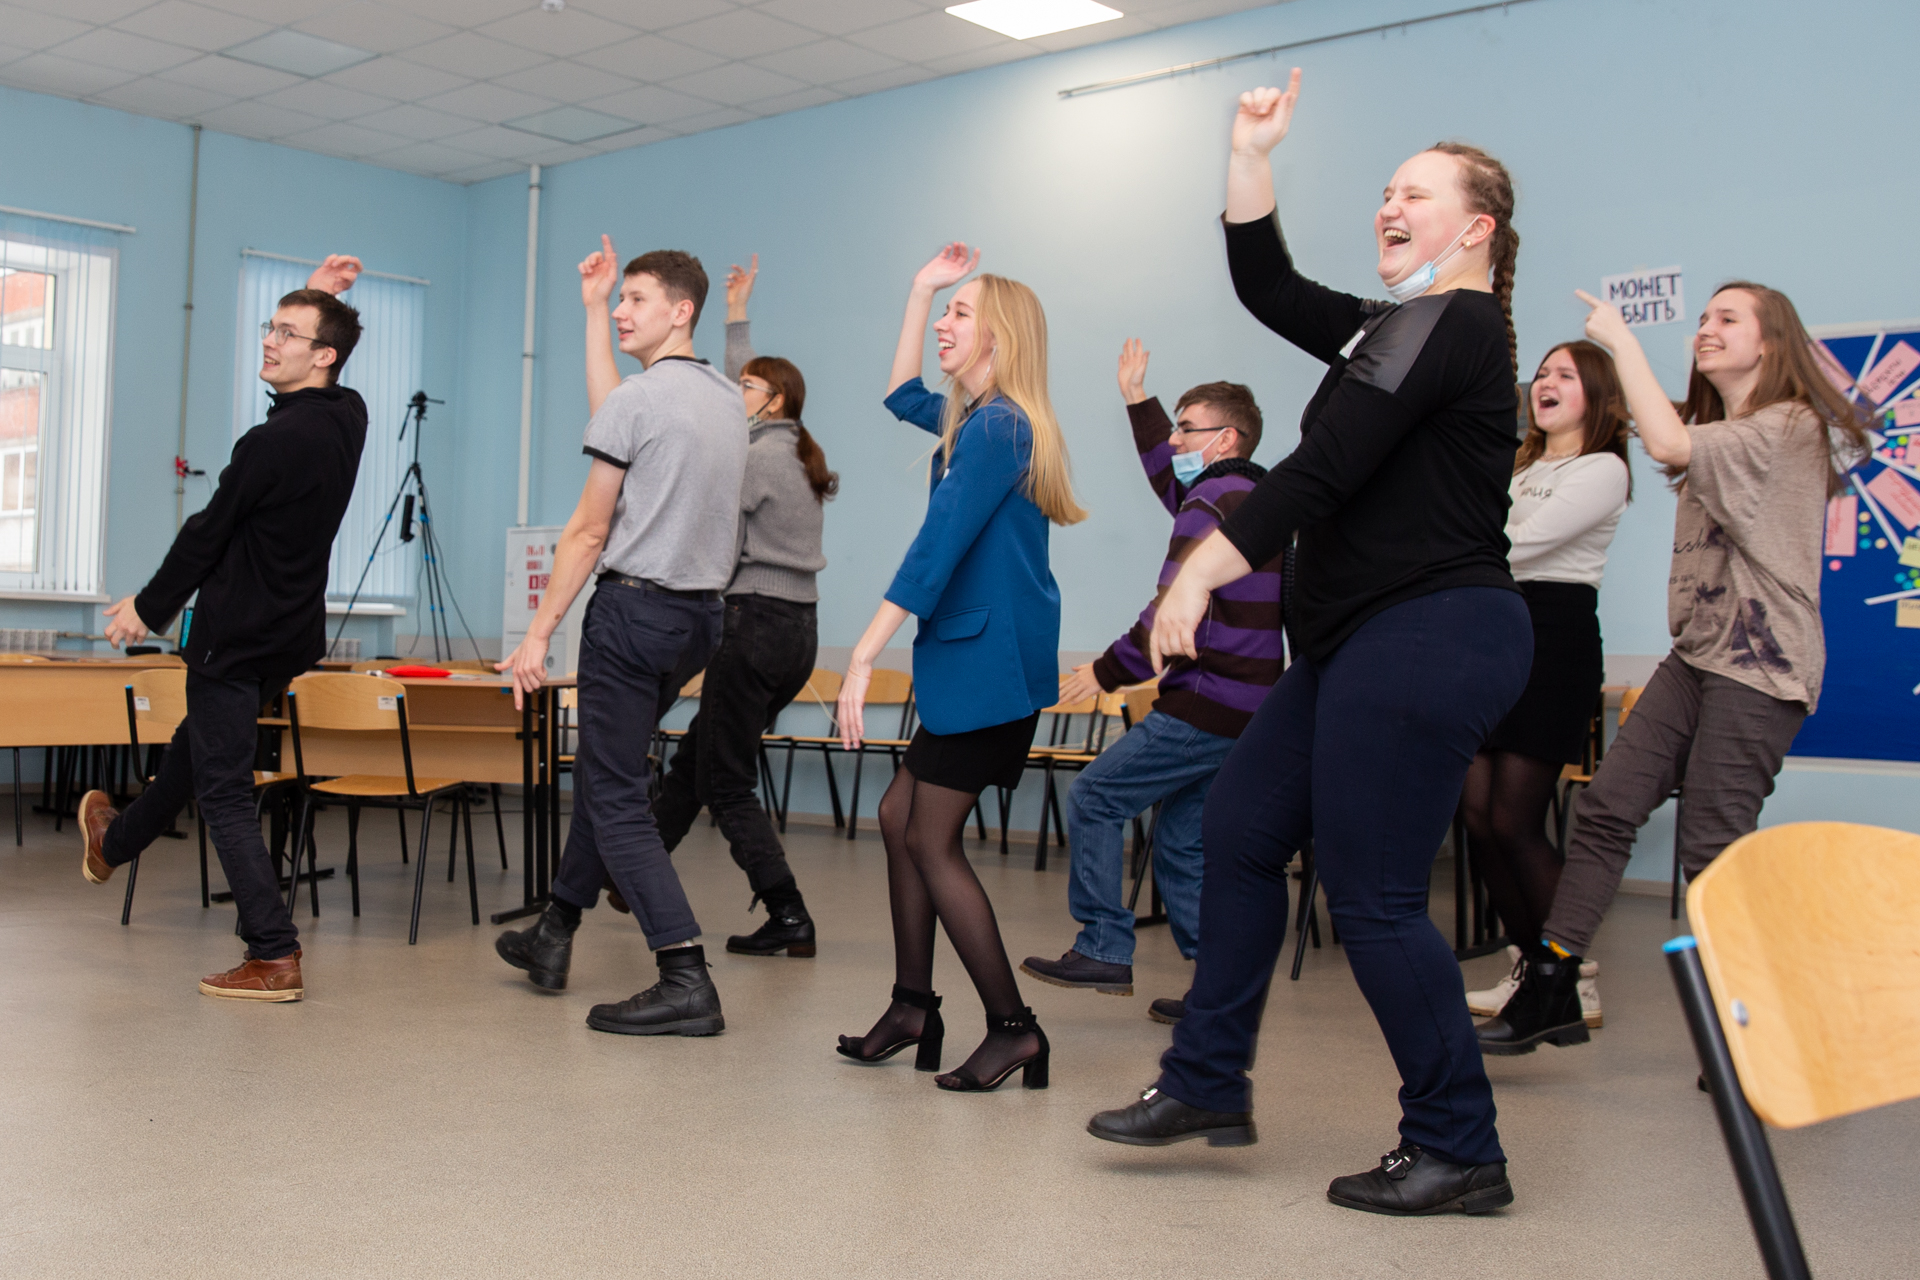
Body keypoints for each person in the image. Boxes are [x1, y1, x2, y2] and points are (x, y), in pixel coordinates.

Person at [1086, 72, 1534, 1218]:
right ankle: (1207, 1080)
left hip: (1433, 628)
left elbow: (1320, 471)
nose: (1390, 205)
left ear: (1476, 228)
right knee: (1241, 830)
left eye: (1416, 194)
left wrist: (1200, 570)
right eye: (1386, 190)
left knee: (1373, 892)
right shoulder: (1393, 327)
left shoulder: (1459, 325)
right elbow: (1268, 283)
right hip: (1352, 642)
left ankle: (1459, 1144)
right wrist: (1251, 154)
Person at [1478, 282, 1868, 1055]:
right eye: (1703, 318)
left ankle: (1755, 1028)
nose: (1705, 329)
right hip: (1697, 654)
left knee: (1712, 846)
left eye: (1727, 319)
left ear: (1771, 342)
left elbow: (1664, 444)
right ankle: (1553, 984)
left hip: (1761, 660)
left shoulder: (1789, 425)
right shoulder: (1723, 429)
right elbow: (1674, 437)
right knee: (1604, 808)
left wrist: (1620, 341)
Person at [78, 255, 367, 1002]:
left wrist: (148, 606)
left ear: (323, 355)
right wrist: (323, 296)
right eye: (272, 326)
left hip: (232, 636)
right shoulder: (349, 417)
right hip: (286, 638)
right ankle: (114, 840)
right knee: (195, 753)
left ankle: (273, 952)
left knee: (224, 790)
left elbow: (207, 532)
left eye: (289, 333)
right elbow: (323, 374)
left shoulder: (269, 444)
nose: (269, 340)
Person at [834, 242, 1086, 1092]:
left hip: (991, 672)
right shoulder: (974, 422)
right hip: (972, 665)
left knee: (929, 838)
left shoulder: (1002, 428)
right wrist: (919, 290)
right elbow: (900, 393)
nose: (945, 324)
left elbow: (935, 548)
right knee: (899, 817)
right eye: (945, 312)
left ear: (999, 338)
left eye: (960, 312)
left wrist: (862, 655)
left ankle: (1015, 1029)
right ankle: (913, 1007)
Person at [493, 243, 747, 1038]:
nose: (622, 312)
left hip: (632, 616)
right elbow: (622, 414)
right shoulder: (726, 397)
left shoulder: (640, 402)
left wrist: (538, 632)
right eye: (619, 302)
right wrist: (590, 309)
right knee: (613, 769)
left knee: (612, 793)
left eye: (636, 299)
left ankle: (684, 973)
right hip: (698, 621)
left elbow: (588, 529)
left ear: (682, 310)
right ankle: (555, 930)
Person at [1021, 341, 1283, 1019]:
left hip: (1203, 701)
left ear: (1226, 439)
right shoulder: (1253, 500)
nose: (1174, 442)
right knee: (1182, 842)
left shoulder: (1211, 502)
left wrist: (1105, 672)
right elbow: (1172, 481)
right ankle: (1216, 995)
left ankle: (1104, 946)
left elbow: (1169, 614)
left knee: (1097, 796)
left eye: (1186, 429)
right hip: (1250, 709)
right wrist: (1139, 400)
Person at [596, 247, 837, 958]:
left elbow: (710, 526)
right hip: (797, 632)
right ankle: (627, 871)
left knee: (724, 780)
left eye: (748, 387)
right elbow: (742, 381)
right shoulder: (793, 451)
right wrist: (736, 311)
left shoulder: (756, 457)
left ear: (773, 401)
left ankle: (789, 912)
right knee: (698, 758)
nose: (733, 390)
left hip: (752, 625)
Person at [1459, 340, 1630, 1031]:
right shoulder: (1519, 464)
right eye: (1542, 374)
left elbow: (1516, 543)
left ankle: (1571, 976)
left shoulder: (1604, 468)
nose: (1545, 383)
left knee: (1515, 819)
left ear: (1597, 393)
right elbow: (1482, 529)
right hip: (1491, 631)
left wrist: (1475, 537)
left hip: (1555, 637)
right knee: (1476, 814)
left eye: (1565, 374)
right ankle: (1532, 969)